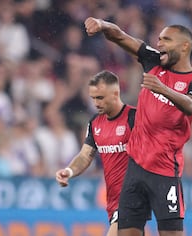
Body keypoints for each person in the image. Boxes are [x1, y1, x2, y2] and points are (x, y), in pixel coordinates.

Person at [84, 17, 192, 236]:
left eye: (166, 39)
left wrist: (164, 89)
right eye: (159, 39)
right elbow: (121, 36)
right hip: (134, 169)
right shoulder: (153, 62)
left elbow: (191, 106)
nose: (159, 43)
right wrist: (103, 24)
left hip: (164, 172)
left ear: (184, 46)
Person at [55, 70, 136, 236]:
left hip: (133, 198)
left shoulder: (134, 118)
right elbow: (85, 156)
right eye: (93, 98)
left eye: (100, 98)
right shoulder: (95, 123)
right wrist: (69, 171)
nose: (96, 103)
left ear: (115, 94)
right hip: (113, 202)